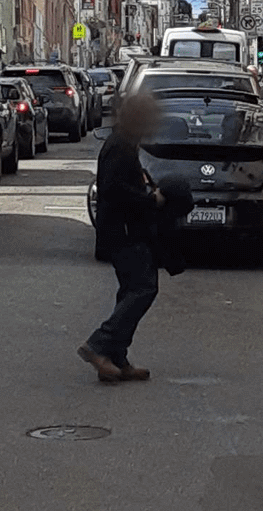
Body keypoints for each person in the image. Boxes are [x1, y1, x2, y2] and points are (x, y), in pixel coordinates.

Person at [78, 91, 165, 383]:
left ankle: (116, 357)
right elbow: (114, 190)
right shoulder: (119, 146)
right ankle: (99, 344)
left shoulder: (125, 142)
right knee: (143, 288)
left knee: (131, 290)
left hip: (124, 229)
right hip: (124, 231)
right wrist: (150, 199)